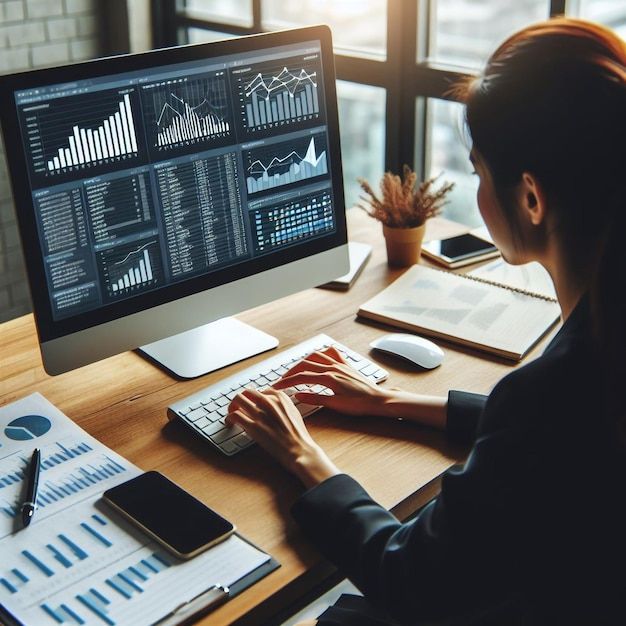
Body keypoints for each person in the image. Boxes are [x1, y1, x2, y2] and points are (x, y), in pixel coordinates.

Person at [227, 18, 626, 625]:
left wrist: (301, 454)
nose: (476, 188)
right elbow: (553, 439)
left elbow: (408, 578)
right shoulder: (594, 356)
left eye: (478, 172)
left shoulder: (556, 391)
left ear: (532, 198)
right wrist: (394, 401)